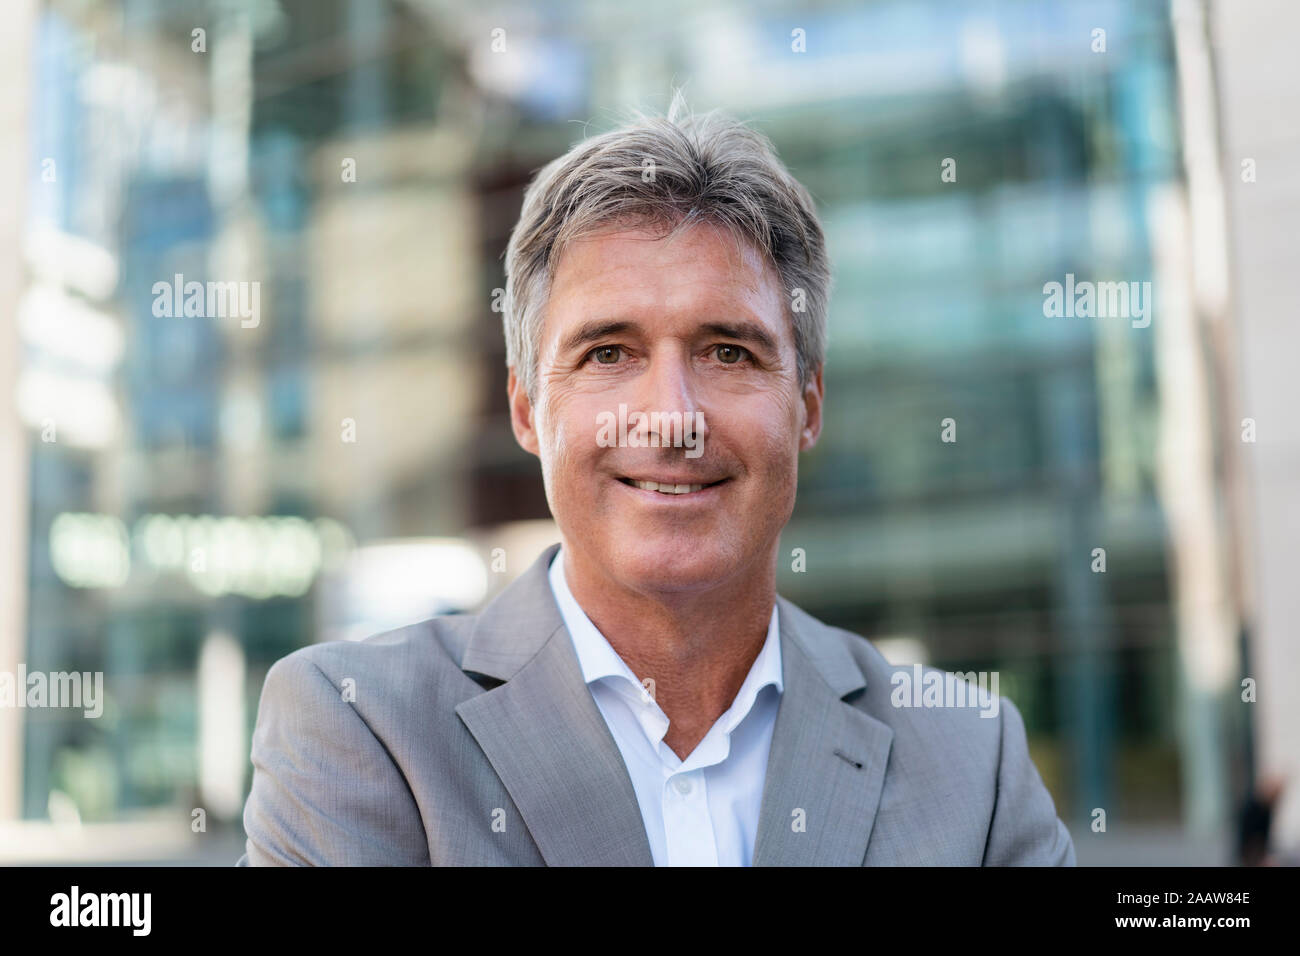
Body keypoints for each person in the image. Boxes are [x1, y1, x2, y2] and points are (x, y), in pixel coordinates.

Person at [238, 93, 1075, 866]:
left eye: (728, 352)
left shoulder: (972, 759)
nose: (671, 417)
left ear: (808, 405)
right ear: (528, 411)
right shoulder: (360, 727)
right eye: (609, 352)